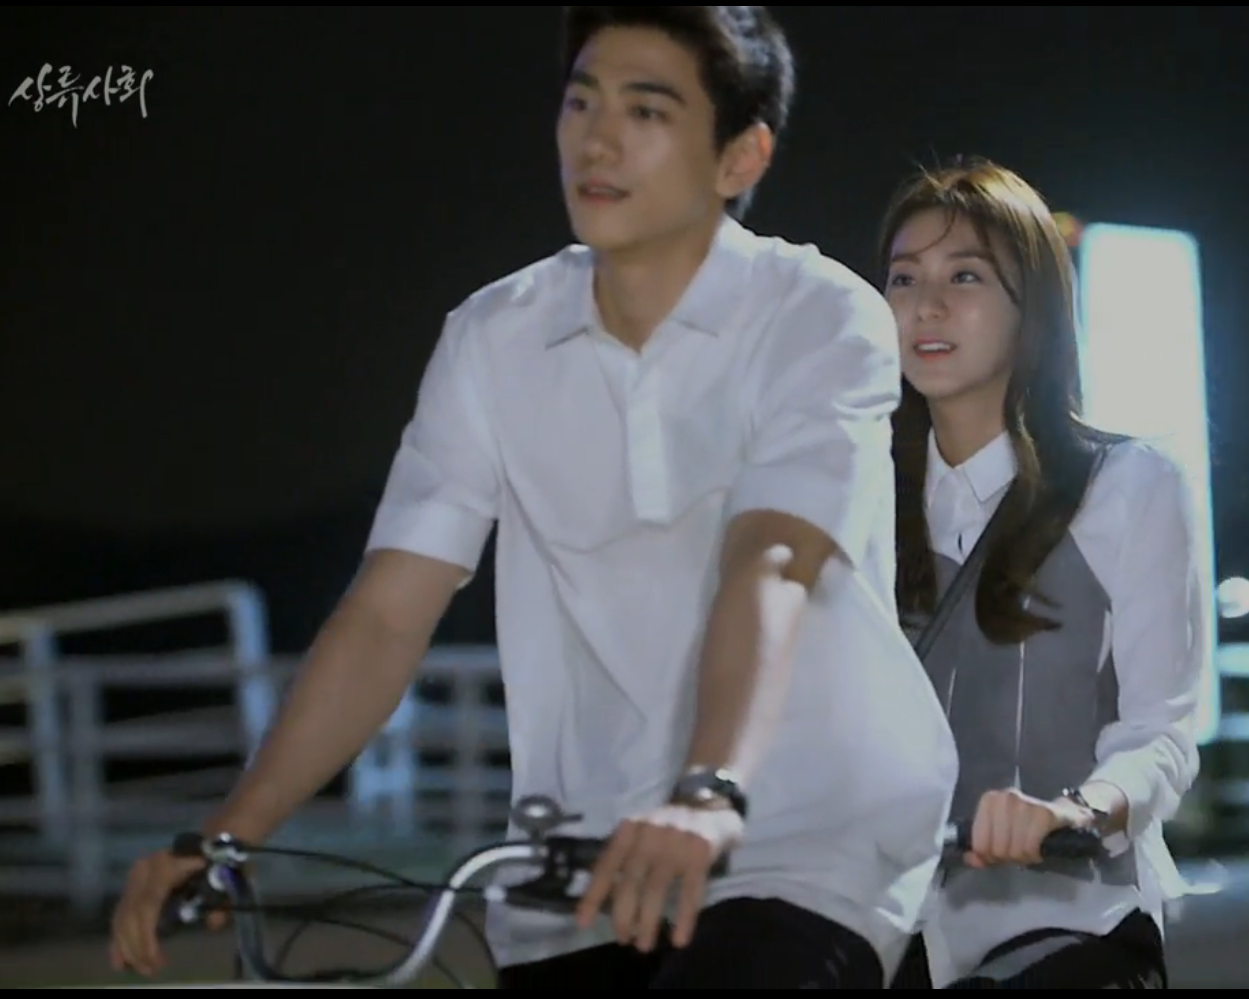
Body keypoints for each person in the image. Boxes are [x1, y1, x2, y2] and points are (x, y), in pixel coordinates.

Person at [109, 6, 957, 988]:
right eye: (581, 102)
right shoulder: (493, 337)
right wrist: (227, 836)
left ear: (740, 156)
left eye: (647, 111)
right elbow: (387, 613)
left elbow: (770, 560)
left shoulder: (818, 314)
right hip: (577, 862)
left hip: (802, 835)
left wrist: (708, 789)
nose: (597, 140)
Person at [878, 158, 1205, 988]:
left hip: (1072, 925)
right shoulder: (858, 501)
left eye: (965, 275)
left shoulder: (1128, 484)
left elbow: (1160, 732)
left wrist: (1076, 809)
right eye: (903, 278)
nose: (926, 304)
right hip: (888, 932)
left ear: (1034, 306)